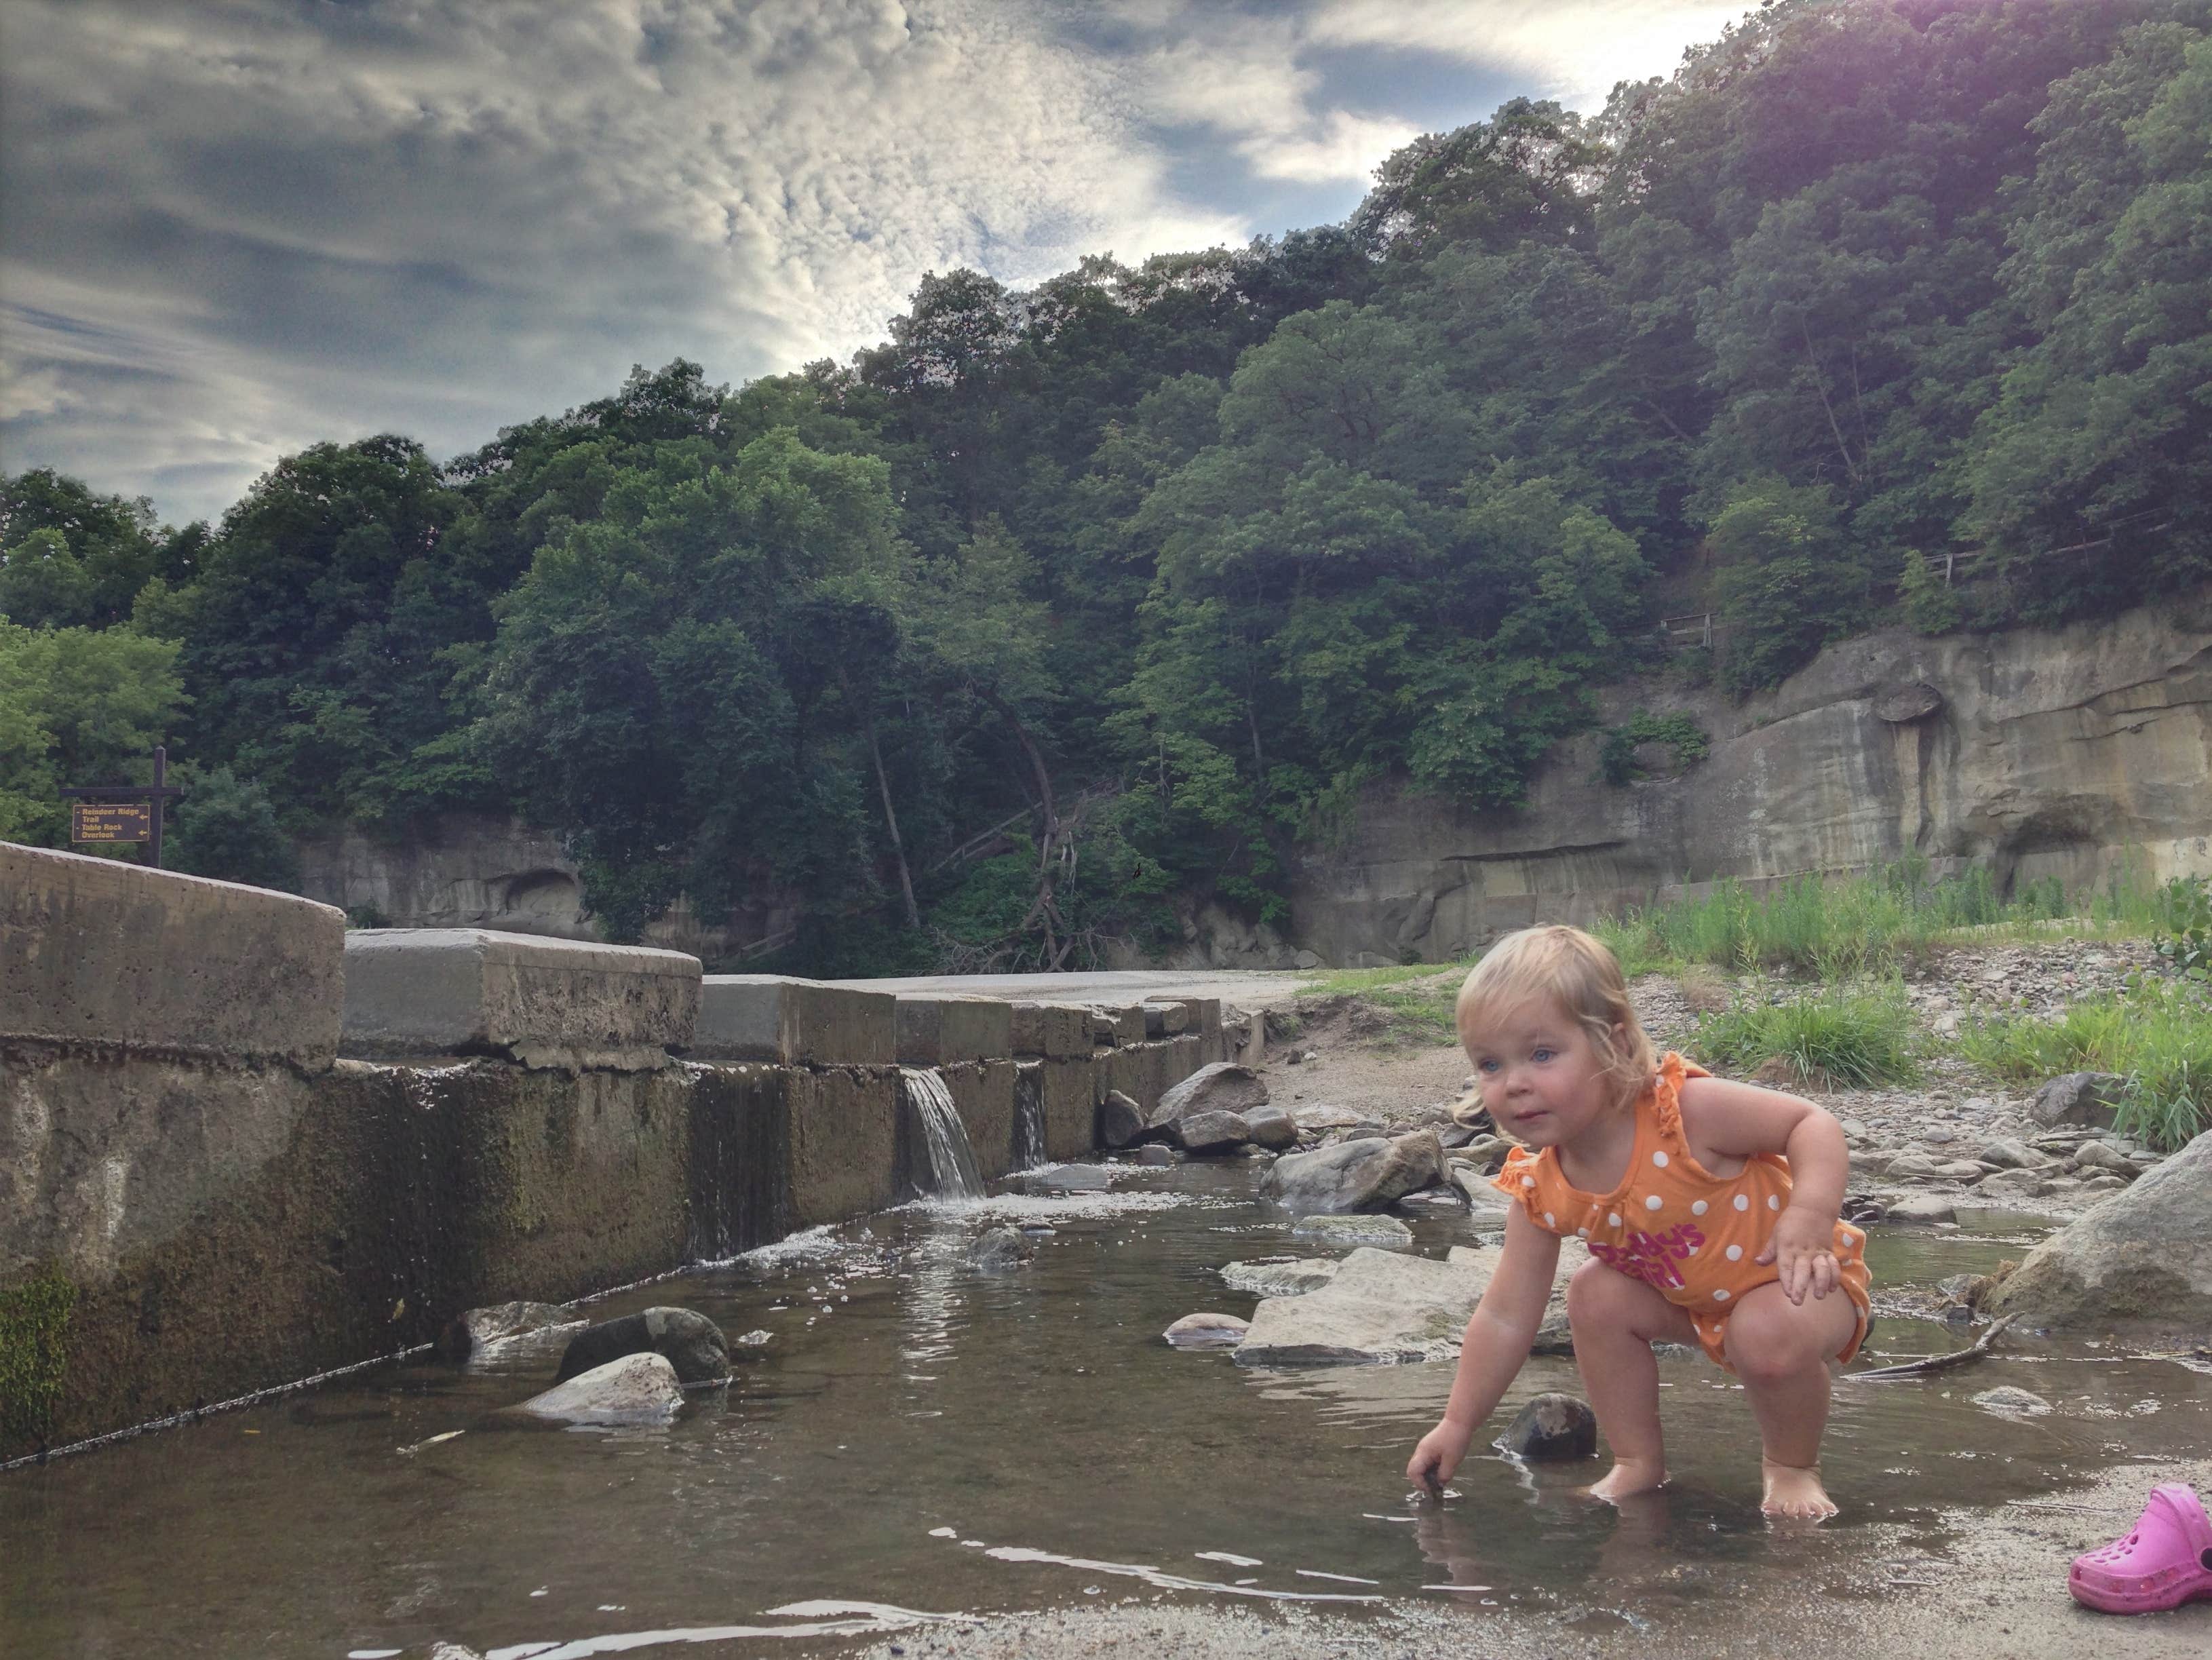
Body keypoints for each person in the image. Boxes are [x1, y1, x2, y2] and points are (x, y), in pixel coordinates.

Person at [1405, 925, 1873, 1520]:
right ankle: (1636, 1463)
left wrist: (1808, 1218)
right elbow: (1504, 1314)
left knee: (1763, 1333)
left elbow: (1811, 1122)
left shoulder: (1682, 1114)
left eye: (1542, 1053)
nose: (1514, 1082)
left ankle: (1790, 1466)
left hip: (1802, 1284)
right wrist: (1455, 1423)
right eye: (1489, 1063)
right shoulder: (1540, 1182)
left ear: (1614, 1044)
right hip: (1695, 1304)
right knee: (1593, 1293)